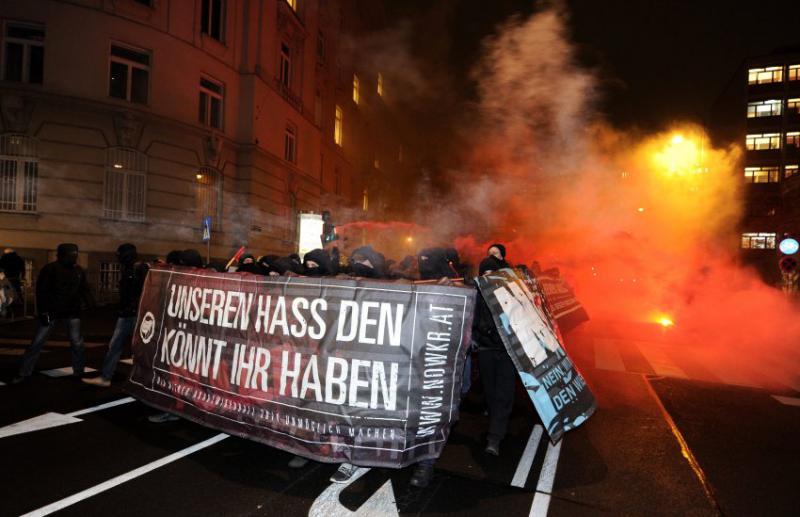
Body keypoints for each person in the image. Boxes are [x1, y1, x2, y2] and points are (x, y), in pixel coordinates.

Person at [12, 243, 94, 383]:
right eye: (71, 255)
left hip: (72, 312)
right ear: (62, 255)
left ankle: (79, 372)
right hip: (52, 312)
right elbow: (42, 292)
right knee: (37, 343)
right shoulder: (50, 269)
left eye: (75, 254)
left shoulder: (78, 270)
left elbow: (84, 289)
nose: (74, 257)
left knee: (77, 344)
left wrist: (91, 304)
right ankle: (24, 372)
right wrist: (43, 312)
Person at [83, 244, 149, 387]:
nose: (118, 257)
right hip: (127, 314)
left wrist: (133, 308)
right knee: (118, 345)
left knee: (137, 347)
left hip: (135, 314)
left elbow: (144, 291)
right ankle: (107, 377)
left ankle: (143, 380)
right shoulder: (129, 267)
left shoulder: (140, 268)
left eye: (120, 254)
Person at [474, 254, 515, 456]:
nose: (487, 277)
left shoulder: (510, 293)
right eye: (484, 273)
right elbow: (470, 319)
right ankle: (496, 422)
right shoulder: (477, 293)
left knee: (503, 394)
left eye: (491, 273)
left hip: (508, 351)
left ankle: (494, 437)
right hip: (486, 350)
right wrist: (475, 335)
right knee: (491, 393)